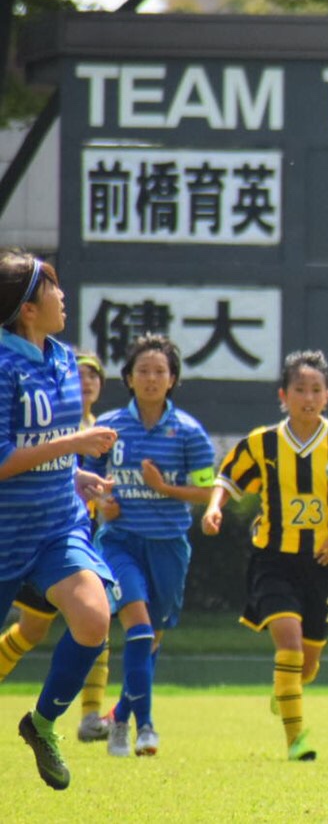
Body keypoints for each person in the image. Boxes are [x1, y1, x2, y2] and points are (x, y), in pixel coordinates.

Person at [202, 349, 328, 762]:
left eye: (315, 390)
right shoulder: (262, 443)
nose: (308, 396)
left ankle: (287, 692)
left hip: (323, 563)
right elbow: (228, 478)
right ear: (283, 395)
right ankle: (296, 739)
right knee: (288, 643)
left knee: (308, 665)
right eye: (299, 389)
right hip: (273, 560)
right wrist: (215, 507)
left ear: (327, 397)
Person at [0, 250, 119, 789]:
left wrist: (73, 473)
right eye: (53, 288)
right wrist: (73, 442)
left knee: (94, 617)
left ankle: (42, 723)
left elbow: (42, 448)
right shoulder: (2, 367)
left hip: (56, 526)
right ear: (27, 307)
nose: (63, 296)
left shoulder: (67, 360)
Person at [81, 334, 215, 757]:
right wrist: (103, 500)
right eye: (144, 371)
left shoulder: (189, 432)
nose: (152, 378)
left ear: (172, 379)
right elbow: (85, 480)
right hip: (120, 543)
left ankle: (120, 717)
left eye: (160, 371)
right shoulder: (112, 427)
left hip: (169, 547)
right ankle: (146, 727)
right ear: (129, 378)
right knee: (137, 628)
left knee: (150, 640)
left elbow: (209, 491)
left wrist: (164, 488)